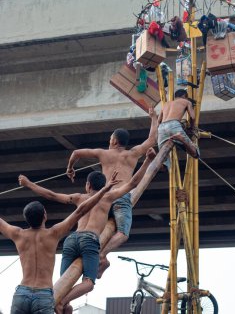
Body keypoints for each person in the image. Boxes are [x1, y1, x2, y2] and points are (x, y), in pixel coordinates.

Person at [20, 148, 156, 314]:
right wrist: (148, 161)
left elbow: (51, 195)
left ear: (88, 185)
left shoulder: (79, 198)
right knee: (89, 283)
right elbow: (133, 183)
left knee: (65, 285)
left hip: (71, 240)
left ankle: (63, 303)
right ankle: (62, 301)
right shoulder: (108, 196)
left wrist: (28, 184)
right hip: (89, 240)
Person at [0, 174, 119, 314]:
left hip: (21, 293)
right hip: (43, 295)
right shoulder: (53, 233)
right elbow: (81, 210)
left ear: (25, 218)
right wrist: (104, 190)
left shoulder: (17, 234)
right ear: (45, 215)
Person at [66, 107, 158, 278]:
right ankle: (102, 254)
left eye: (110, 139)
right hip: (121, 196)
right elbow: (152, 139)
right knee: (123, 233)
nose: (109, 142)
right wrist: (153, 117)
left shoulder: (103, 154)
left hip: (104, 197)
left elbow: (76, 153)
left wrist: (70, 168)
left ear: (114, 141)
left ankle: (93, 258)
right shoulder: (133, 154)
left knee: (92, 224)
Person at [157, 88, 199, 169]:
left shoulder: (166, 104)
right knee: (196, 153)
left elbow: (158, 121)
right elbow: (193, 117)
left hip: (161, 128)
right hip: (174, 125)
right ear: (184, 96)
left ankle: (163, 165)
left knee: (162, 159)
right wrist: (192, 127)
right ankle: (181, 139)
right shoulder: (186, 102)